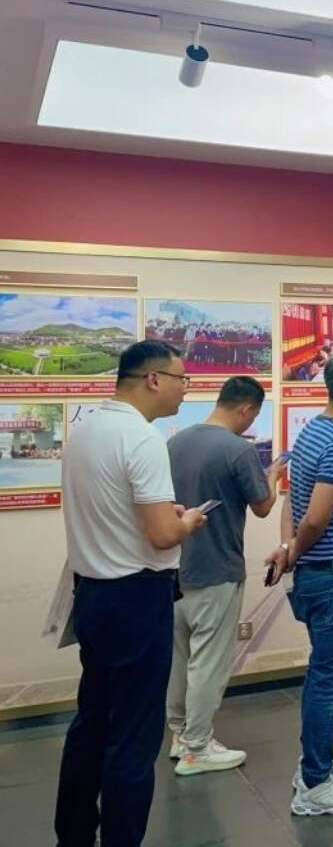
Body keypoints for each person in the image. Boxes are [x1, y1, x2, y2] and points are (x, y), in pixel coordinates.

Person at [55, 340, 207, 847]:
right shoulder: (141, 438)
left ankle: (74, 834)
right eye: (182, 379)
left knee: (92, 722)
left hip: (92, 596)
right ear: (154, 379)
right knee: (135, 737)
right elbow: (162, 535)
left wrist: (166, 518)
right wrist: (188, 521)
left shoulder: (85, 431)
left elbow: (120, 512)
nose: (186, 390)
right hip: (137, 599)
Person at [263, 345, 333, 817]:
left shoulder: (313, 431)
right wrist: (293, 550)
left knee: (323, 673)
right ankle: (314, 783)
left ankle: (319, 758)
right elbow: (315, 518)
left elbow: (292, 501)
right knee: (329, 678)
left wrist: (286, 547)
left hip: (321, 575)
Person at [166, 376, 285, 776]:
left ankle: (180, 736)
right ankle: (198, 748)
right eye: (253, 415)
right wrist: (274, 475)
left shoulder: (176, 442)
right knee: (209, 664)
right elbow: (263, 507)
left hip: (175, 569)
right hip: (217, 569)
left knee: (178, 660)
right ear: (247, 408)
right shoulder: (238, 449)